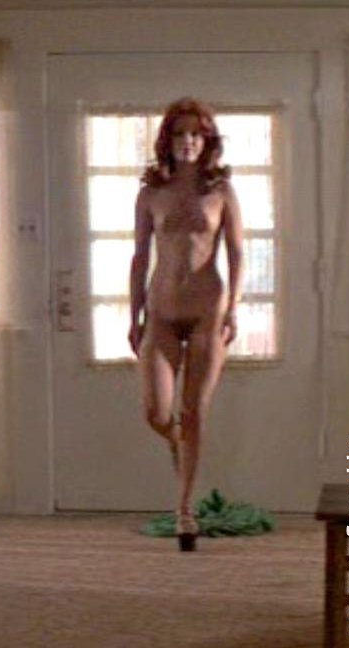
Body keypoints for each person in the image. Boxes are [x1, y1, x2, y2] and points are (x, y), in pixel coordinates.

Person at [128, 97, 243, 552]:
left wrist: (233, 308)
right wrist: (133, 313)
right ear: (168, 140)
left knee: (193, 411)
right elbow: (140, 256)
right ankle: (179, 441)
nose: (187, 141)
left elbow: (237, 253)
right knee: (157, 413)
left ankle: (184, 511)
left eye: (196, 134)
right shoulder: (151, 192)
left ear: (207, 141)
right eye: (179, 134)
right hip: (161, 312)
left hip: (207, 313)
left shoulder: (221, 191)